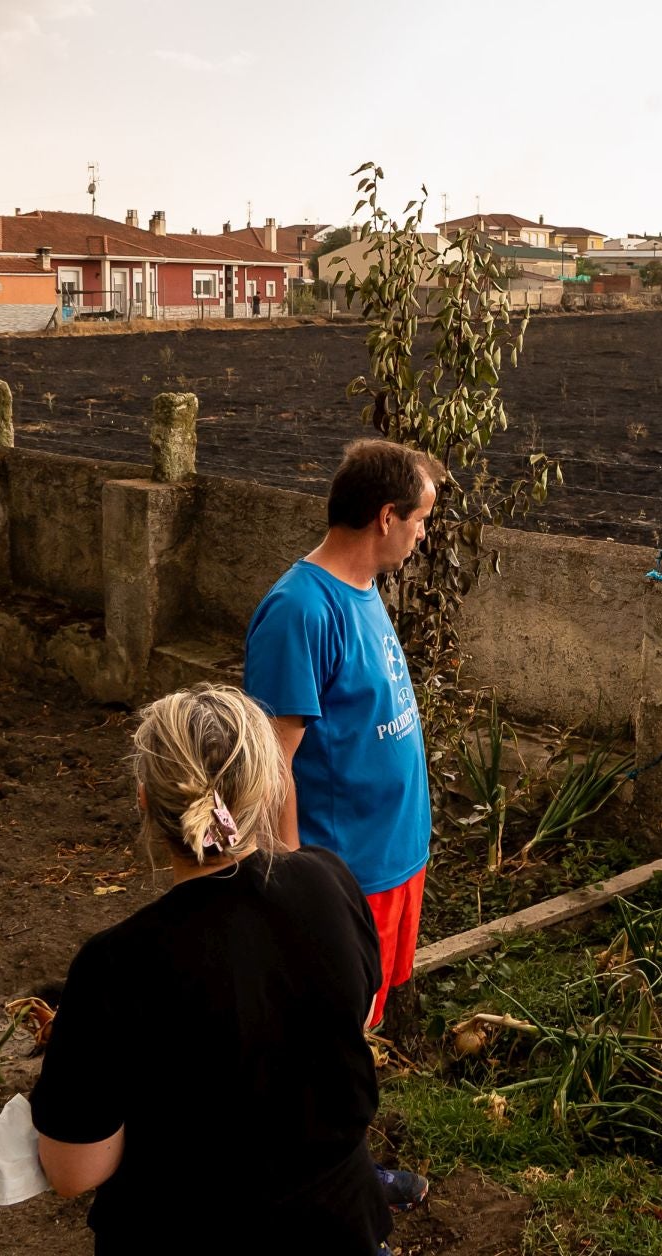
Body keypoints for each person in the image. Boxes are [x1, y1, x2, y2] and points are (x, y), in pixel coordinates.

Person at [28, 684, 393, 1253]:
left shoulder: (115, 964)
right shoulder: (330, 881)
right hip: (341, 1228)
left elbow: (74, 1171)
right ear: (267, 788)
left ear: (145, 800)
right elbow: (359, 1013)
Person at [241, 438, 442, 1213]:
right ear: (385, 517)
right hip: (341, 877)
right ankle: (324, 1200)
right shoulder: (300, 611)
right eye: (420, 520)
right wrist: (294, 885)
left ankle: (342, 1173)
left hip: (390, 863)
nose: (423, 534)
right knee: (322, 1043)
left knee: (350, 1037)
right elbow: (272, 762)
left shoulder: (362, 589)